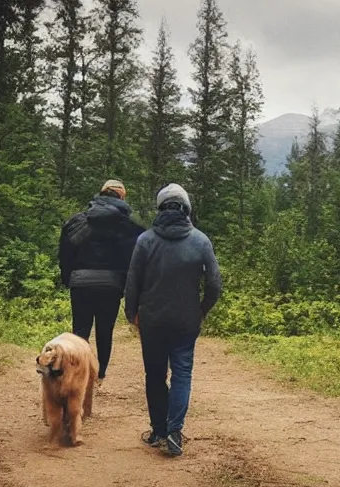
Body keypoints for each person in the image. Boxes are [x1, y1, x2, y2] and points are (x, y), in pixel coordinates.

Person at [124, 184, 222, 457]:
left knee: (154, 375)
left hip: (152, 320)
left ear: (160, 208)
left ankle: (157, 430)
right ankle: (174, 430)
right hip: (186, 320)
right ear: (186, 208)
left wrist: (132, 313)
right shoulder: (200, 241)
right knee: (182, 373)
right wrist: (202, 310)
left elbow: (132, 281)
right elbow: (215, 284)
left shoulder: (145, 240)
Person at [59, 179, 145, 384]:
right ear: (122, 197)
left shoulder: (77, 221)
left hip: (80, 283)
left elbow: (65, 253)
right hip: (111, 285)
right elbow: (133, 259)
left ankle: (77, 372)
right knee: (105, 330)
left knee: (80, 331)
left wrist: (68, 278)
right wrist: (128, 286)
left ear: (101, 194)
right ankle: (99, 373)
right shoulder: (128, 226)